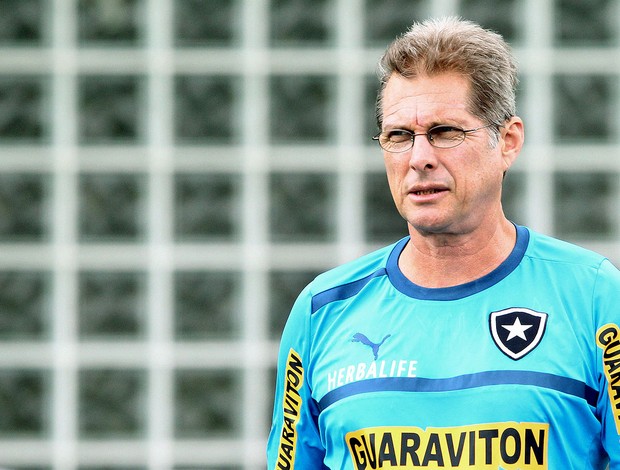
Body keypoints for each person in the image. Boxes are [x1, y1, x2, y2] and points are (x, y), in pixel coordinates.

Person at [267, 16, 620, 469]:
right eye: (399, 136)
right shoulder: (322, 310)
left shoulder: (594, 297)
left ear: (508, 141)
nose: (419, 158)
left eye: (444, 132)